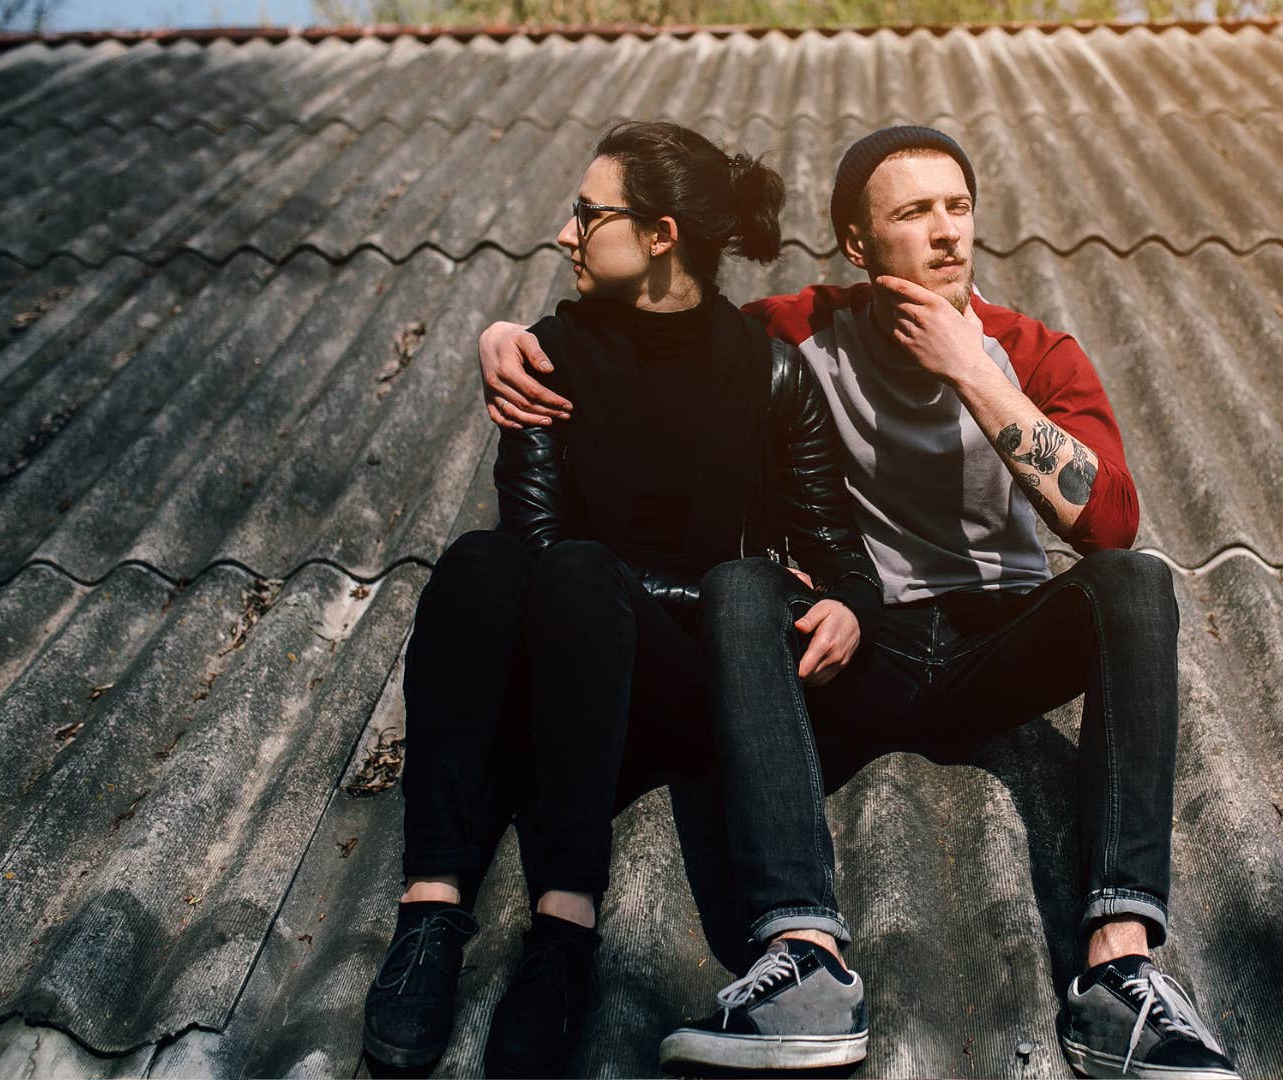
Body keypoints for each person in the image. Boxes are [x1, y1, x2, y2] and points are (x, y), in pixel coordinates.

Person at [479, 125, 1239, 1079]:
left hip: (992, 640)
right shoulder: (796, 328)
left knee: (1136, 583)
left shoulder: (1033, 352)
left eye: (958, 207)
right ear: (856, 242)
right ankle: (803, 960)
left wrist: (971, 368)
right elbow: (665, 326)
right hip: (860, 646)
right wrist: (509, 337)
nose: (947, 233)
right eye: (914, 213)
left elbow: (1109, 523)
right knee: (743, 588)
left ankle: (1118, 977)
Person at [363, 120, 881, 1078]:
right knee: (481, 561)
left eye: (586, 212)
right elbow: (532, 543)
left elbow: (841, 562)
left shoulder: (768, 373)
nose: (565, 233)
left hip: (682, 687)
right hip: (567, 661)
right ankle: (429, 917)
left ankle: (562, 938)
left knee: (577, 571)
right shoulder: (545, 354)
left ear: (659, 236)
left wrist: (848, 604)